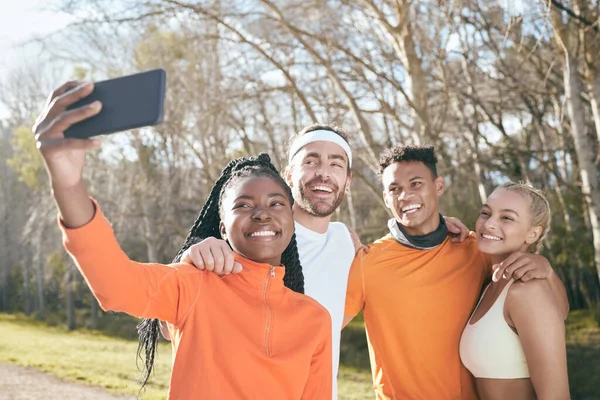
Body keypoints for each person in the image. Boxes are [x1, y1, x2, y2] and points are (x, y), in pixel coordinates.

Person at [33, 81, 332, 399]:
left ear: (291, 220)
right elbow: (114, 284)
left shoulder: (314, 319)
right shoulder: (194, 284)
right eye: (243, 205)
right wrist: (68, 183)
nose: (262, 214)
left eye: (276, 203)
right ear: (222, 228)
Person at [176, 125, 472, 398]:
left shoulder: (347, 243)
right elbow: (173, 327)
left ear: (348, 180)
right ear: (288, 175)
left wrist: (439, 227)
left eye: (336, 163)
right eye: (311, 161)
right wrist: (193, 262)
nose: (324, 173)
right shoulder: (252, 239)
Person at [343, 145, 569, 400]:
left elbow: (555, 314)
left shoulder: (476, 249)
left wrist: (547, 271)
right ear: (386, 198)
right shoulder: (367, 263)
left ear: (438, 186)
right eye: (395, 189)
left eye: (416, 183)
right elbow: (319, 326)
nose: (405, 195)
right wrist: (328, 246)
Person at [460, 182, 570, 400]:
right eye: (485, 213)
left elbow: (557, 396)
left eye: (507, 217)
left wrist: (548, 271)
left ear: (532, 234)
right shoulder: (488, 287)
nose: (489, 223)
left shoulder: (527, 292)